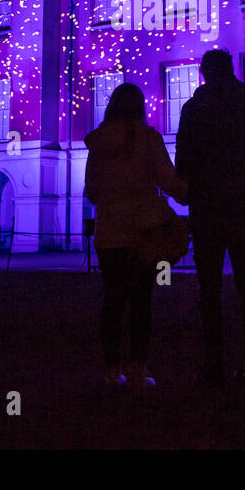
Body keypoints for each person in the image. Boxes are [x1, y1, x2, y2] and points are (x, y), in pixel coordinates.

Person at [176, 48, 245, 388]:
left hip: (207, 211)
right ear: (231, 69)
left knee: (209, 291)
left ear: (204, 72)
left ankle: (214, 363)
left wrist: (192, 192)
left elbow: (183, 161)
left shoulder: (194, 110)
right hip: (243, 208)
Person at [84, 82, 188, 391]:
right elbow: (169, 181)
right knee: (142, 301)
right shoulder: (149, 138)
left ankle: (111, 369)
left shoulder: (99, 143)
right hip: (143, 230)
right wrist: (194, 194)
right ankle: (138, 368)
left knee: (112, 301)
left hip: (109, 231)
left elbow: (92, 192)